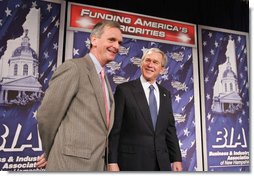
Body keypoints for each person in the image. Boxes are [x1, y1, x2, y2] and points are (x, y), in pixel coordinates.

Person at [36, 20, 123, 171]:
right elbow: (47, 116)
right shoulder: (74, 68)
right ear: (94, 40)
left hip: (96, 166)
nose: (116, 46)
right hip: (69, 166)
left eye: (119, 42)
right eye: (111, 40)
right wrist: (51, 151)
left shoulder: (103, 77)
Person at [107, 48, 183, 171]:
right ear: (141, 63)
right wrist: (112, 161)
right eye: (147, 60)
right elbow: (115, 129)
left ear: (162, 69)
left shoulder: (165, 94)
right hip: (132, 163)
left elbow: (170, 129)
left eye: (155, 62)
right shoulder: (124, 90)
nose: (150, 65)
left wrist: (176, 158)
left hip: (161, 164)